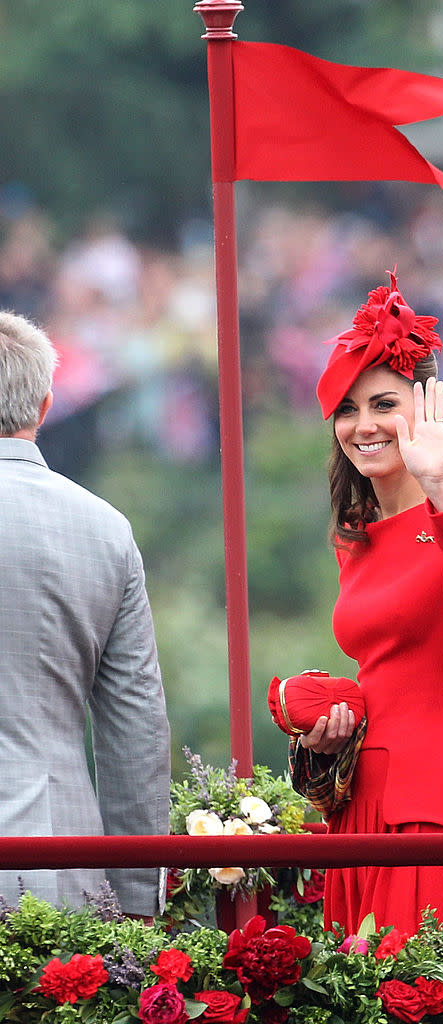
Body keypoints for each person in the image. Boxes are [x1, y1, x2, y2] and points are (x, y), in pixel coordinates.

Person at [294, 270, 443, 936]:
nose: (361, 425)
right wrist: (324, 731)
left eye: (382, 404)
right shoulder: (354, 539)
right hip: (354, 808)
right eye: (346, 409)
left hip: (433, 805)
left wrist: (438, 487)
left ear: (425, 411)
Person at [0, 311, 171, 917]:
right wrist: (136, 905)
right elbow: (135, 733)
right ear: (44, 408)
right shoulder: (105, 531)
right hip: (63, 867)